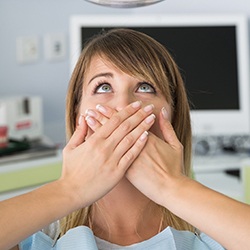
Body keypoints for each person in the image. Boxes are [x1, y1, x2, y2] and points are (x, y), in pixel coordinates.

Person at [1, 28, 250, 250]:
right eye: (104, 87)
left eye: (145, 87)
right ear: (77, 112)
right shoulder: (36, 238)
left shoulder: (214, 233)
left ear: (172, 116)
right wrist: (70, 190)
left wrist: (171, 186)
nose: (123, 106)